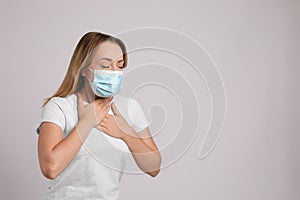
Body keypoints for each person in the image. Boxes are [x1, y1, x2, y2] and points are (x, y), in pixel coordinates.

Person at [36, 32, 162, 200]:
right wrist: (86, 123)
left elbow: (154, 167)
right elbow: (50, 168)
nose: (114, 72)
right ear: (84, 69)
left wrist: (126, 133)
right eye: (105, 65)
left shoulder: (129, 108)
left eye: (120, 65)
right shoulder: (60, 107)